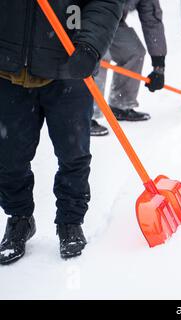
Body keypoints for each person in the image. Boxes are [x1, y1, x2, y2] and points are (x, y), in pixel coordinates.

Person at [0, 0, 124, 264]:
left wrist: (91, 45)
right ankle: (19, 217)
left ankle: (70, 221)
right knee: (8, 157)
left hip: (68, 65)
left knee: (73, 154)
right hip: (7, 69)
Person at [91, 0, 168, 136]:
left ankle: (121, 104)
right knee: (101, 56)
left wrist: (159, 65)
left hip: (114, 22)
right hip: (87, 19)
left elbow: (152, 20)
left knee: (134, 52)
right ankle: (86, 115)